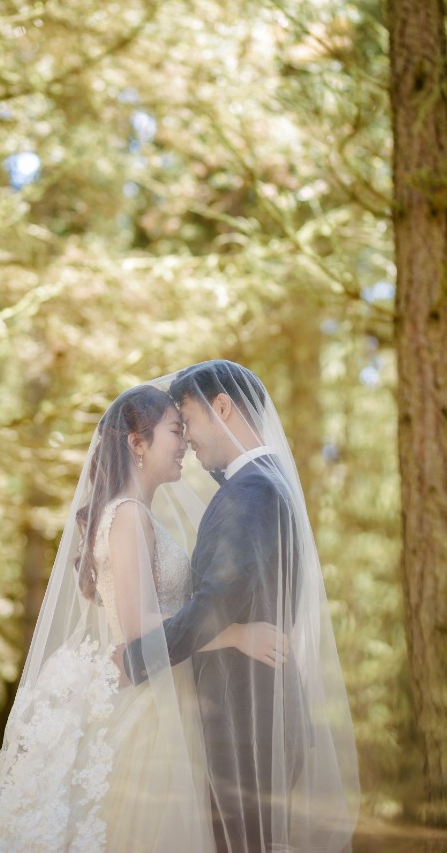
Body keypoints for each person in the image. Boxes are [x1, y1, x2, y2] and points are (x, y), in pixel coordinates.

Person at [0, 383, 287, 853]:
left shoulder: (133, 515)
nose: (185, 443)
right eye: (176, 430)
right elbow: (137, 631)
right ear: (138, 443)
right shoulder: (129, 515)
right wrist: (236, 633)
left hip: (161, 687)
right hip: (147, 702)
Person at [121, 361, 360, 853]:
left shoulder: (250, 492)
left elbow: (215, 604)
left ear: (222, 406)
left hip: (245, 722)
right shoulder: (266, 484)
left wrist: (134, 658)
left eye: (187, 420)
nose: (186, 439)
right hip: (253, 715)